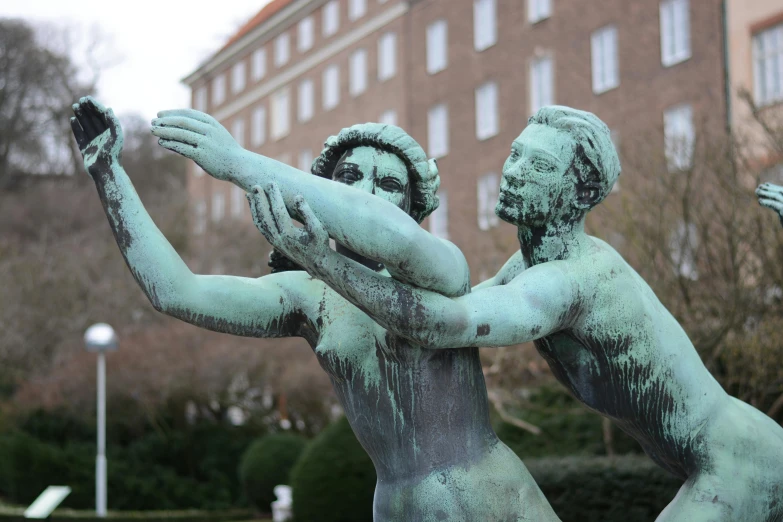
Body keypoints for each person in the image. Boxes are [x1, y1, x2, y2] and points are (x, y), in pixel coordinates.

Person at [251, 106, 783, 522]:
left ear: (580, 192)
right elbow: (440, 317)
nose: (513, 173)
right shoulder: (522, 268)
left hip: (741, 463)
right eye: (516, 154)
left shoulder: (572, 280)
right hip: (714, 458)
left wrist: (320, 260)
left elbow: (437, 325)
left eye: (540, 166)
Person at [71, 96, 561, 521]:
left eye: (389, 184)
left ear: (414, 205)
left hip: (492, 501)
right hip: (397, 506)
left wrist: (238, 162)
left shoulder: (442, 268)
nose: (365, 192)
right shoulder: (308, 294)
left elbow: (387, 234)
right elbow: (177, 292)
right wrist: (109, 175)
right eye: (348, 177)